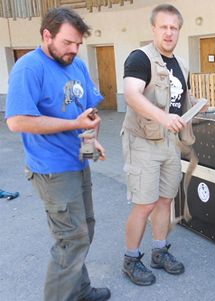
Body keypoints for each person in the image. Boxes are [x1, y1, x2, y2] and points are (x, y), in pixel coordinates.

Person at [5, 8, 110, 301]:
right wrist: (75, 124)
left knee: (84, 231)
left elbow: (88, 110)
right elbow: (17, 121)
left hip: (78, 162)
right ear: (46, 35)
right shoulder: (29, 68)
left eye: (78, 44)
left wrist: (92, 136)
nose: (74, 50)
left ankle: (80, 290)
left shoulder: (76, 65)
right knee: (70, 239)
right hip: (51, 169)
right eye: (68, 43)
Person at [121, 4, 207, 286]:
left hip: (170, 142)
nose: (169, 32)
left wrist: (199, 107)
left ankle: (159, 251)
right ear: (154, 29)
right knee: (144, 204)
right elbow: (132, 95)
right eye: (164, 27)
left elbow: (182, 100)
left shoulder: (181, 65)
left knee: (165, 201)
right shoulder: (140, 58)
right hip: (143, 141)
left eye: (174, 27)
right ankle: (131, 259)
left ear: (179, 30)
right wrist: (162, 116)